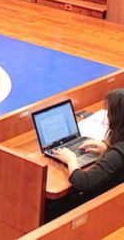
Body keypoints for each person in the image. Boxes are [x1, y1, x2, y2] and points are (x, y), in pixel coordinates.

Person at [47, 89, 124, 220]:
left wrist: (71, 159)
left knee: (51, 207)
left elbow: (84, 182)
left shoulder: (117, 154)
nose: (107, 117)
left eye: (109, 112)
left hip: (103, 207)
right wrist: (107, 148)